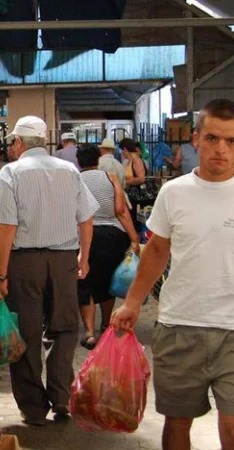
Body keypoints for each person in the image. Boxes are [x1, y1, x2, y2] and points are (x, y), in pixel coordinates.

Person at [110, 98, 234, 450]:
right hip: (179, 328)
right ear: (196, 140)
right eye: (212, 138)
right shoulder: (174, 193)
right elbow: (157, 251)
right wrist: (132, 302)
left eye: (231, 141)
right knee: (178, 424)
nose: (221, 149)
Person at [0, 115, 98, 426]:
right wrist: (84, 257)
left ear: (19, 142)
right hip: (63, 261)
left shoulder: (11, 172)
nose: (11, 148)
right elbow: (86, 218)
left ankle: (34, 408)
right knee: (64, 328)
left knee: (25, 332)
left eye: (12, 143)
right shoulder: (69, 171)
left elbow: (6, 226)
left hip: (25, 263)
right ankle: (62, 398)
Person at [75, 144, 141, 350]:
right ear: (98, 159)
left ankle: (89, 332)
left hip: (83, 236)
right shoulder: (110, 177)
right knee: (106, 280)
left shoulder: (74, 179)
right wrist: (134, 238)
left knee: (85, 283)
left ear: (78, 161)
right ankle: (105, 326)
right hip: (112, 236)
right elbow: (120, 210)